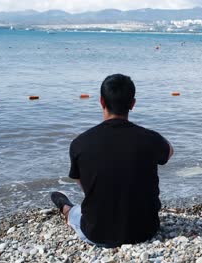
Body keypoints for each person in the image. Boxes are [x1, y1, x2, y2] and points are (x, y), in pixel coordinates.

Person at [51, 74, 173, 247]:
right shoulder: (149, 138)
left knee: (75, 213)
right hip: (145, 229)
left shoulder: (80, 143)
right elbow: (169, 152)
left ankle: (66, 209)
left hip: (97, 232)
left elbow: (84, 183)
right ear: (132, 104)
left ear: (101, 102)